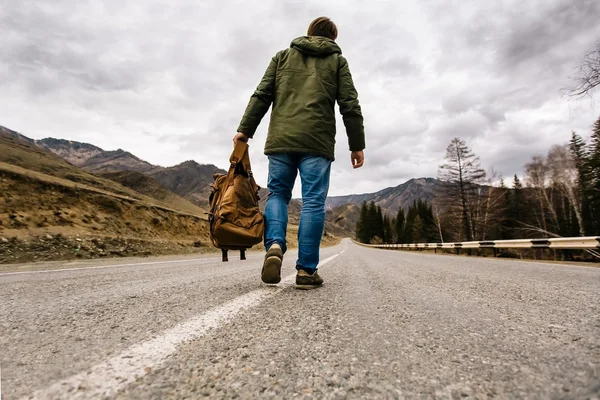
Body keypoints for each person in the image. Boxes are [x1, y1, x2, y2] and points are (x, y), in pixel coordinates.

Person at [233, 16, 365, 289]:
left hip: (281, 139)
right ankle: (306, 271)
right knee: (314, 201)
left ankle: (276, 245)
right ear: (332, 39)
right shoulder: (337, 61)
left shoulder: (282, 57)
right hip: (317, 141)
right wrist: (356, 144)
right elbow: (349, 104)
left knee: (278, 193)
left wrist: (244, 131)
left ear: (308, 34)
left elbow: (261, 95)